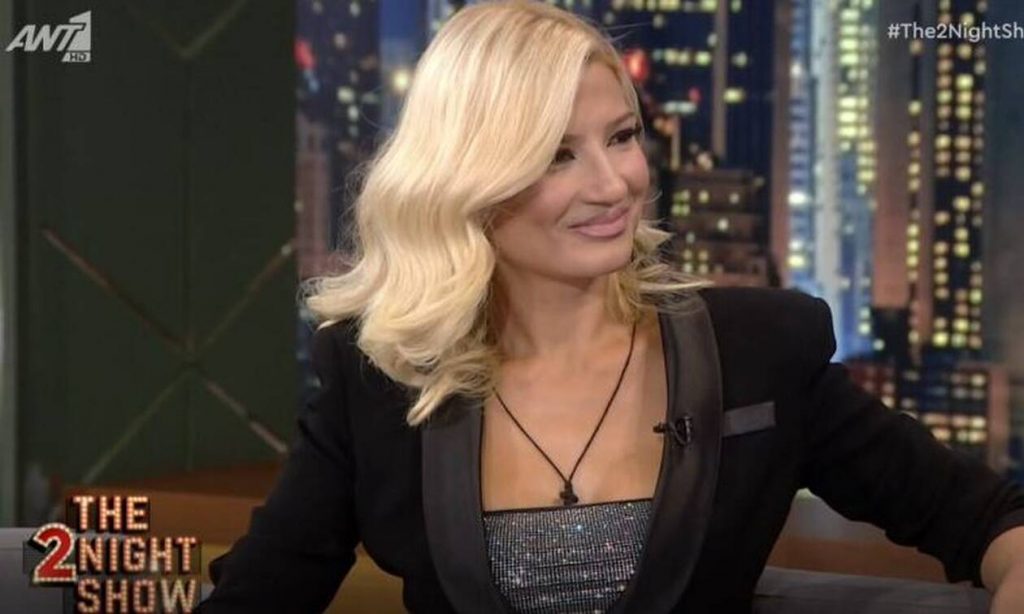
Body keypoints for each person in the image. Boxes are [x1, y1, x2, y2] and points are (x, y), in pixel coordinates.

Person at [197, 1, 1024, 612]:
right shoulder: (380, 375)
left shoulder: (761, 350)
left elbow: (987, 521)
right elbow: (262, 592)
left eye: (621, 137)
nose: (614, 184)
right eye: (556, 155)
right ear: (466, 181)